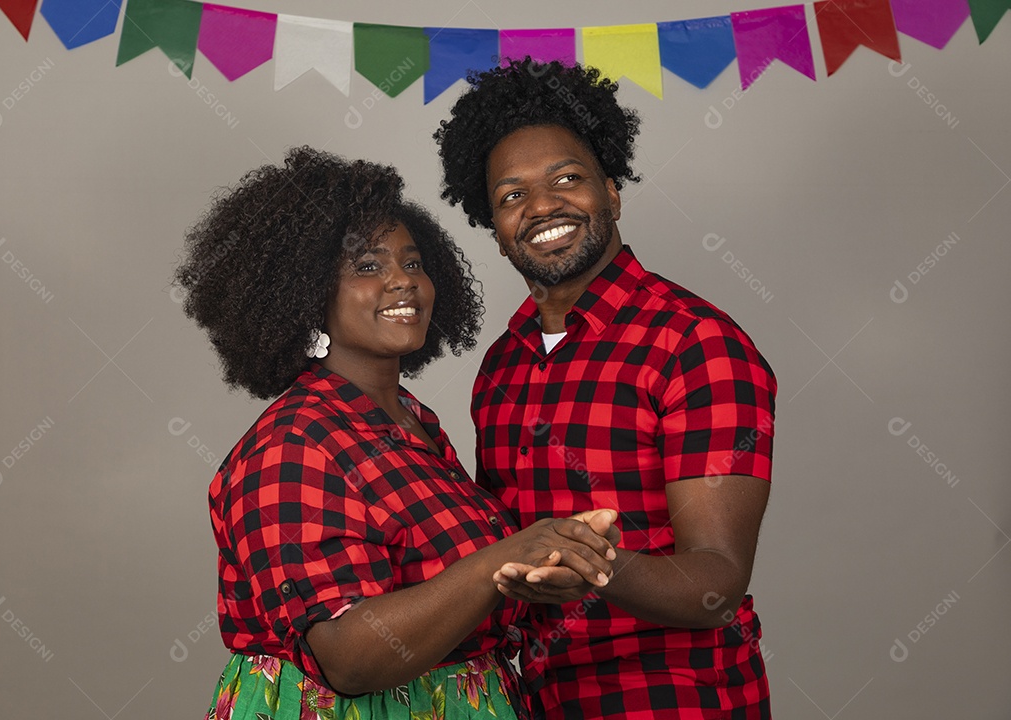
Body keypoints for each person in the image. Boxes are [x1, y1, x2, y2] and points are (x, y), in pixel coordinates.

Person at [175, 146, 620, 720]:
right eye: (368, 267)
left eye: (413, 263)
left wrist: (542, 567)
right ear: (304, 292)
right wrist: (501, 558)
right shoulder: (292, 445)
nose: (402, 282)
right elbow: (348, 658)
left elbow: (455, 591)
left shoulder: (413, 423)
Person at [435, 59, 777, 719]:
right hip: (535, 701)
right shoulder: (502, 367)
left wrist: (596, 566)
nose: (541, 206)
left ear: (612, 193)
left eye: (566, 178)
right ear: (496, 231)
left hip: (675, 704)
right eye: (511, 196)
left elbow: (718, 580)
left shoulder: (696, 343)